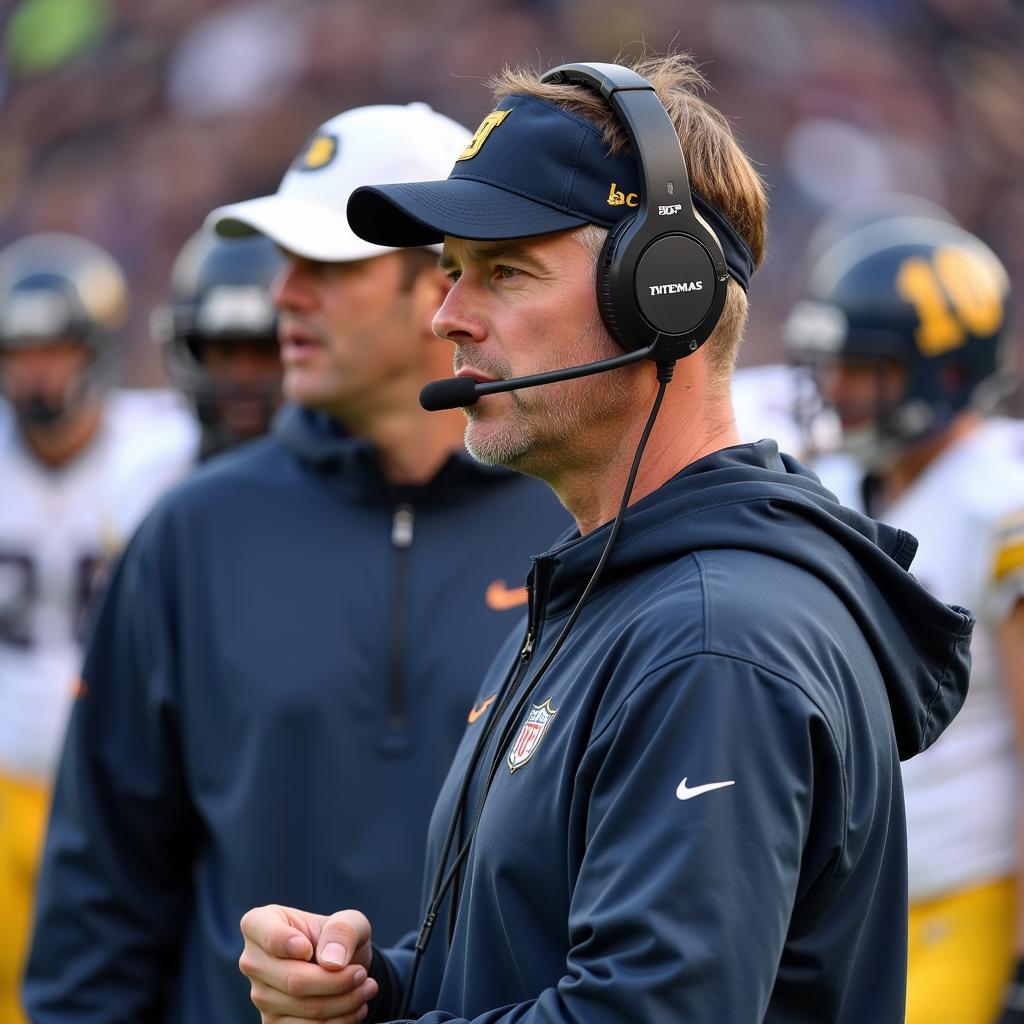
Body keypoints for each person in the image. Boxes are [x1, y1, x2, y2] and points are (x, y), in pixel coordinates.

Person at [235, 55, 973, 1024]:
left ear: (662, 294)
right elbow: (538, 961)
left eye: (503, 271)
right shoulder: (614, 592)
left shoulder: (716, 640)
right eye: (451, 272)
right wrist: (374, 992)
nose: (449, 317)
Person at [23, 103, 568, 1024]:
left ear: (441, 277)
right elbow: (100, 905)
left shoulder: (578, 517)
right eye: (285, 263)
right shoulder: (188, 534)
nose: (283, 295)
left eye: (327, 264)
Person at [784, 201, 1024, 1024]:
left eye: (864, 367)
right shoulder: (840, 485)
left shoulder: (1001, 501)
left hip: (962, 897)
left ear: (943, 372)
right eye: (832, 363)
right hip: (842, 906)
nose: (836, 389)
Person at [0, 232, 196, 1024]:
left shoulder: (160, 449)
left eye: (55, 348)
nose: (38, 372)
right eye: (21, 351)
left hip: (113, 776)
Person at [152, 227, 284, 460]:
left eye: (266, 350)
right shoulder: (152, 475)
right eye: (226, 352)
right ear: (195, 351)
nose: (244, 375)